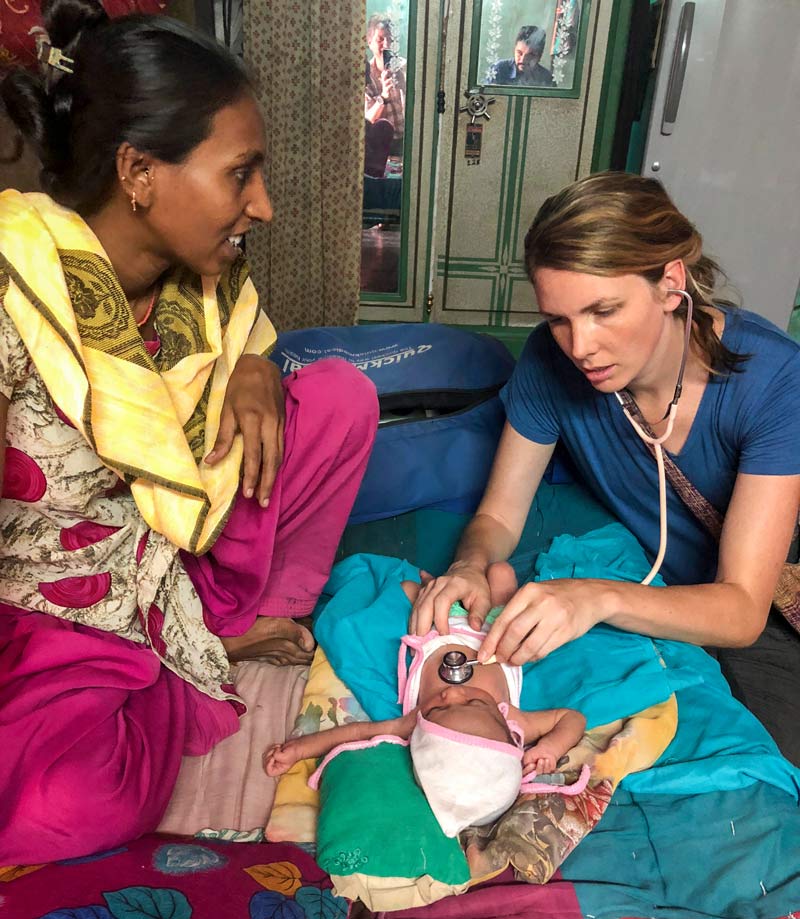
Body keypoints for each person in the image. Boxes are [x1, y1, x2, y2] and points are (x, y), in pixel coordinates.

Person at [0, 1, 378, 865]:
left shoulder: (202, 284)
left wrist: (258, 366)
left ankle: (223, 626)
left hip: (178, 561)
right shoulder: (19, 293)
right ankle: (200, 651)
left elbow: (249, 348)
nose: (265, 206)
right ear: (139, 171)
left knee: (339, 400)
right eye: (240, 174)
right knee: (67, 802)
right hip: (60, 603)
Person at [410, 171, 800, 765]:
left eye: (603, 311)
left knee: (760, 762)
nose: (580, 345)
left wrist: (593, 597)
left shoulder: (775, 383)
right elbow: (498, 514)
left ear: (671, 282)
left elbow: (744, 609)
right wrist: (469, 564)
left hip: (770, 598)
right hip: (664, 584)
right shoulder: (550, 360)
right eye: (559, 319)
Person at [264, 575, 586, 837]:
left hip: (435, 630)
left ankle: (441, 585)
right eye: (475, 702)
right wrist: (551, 747)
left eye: (438, 711)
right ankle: (463, 584)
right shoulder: (515, 720)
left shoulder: (415, 722)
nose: (452, 695)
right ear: (507, 732)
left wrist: (298, 749)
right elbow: (571, 717)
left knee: (407, 589)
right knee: (503, 575)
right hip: (496, 626)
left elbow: (359, 732)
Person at [364, 13, 406, 179]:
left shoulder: (404, 68)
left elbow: (419, 112)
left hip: (405, 141)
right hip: (379, 148)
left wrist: (404, 88)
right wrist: (383, 97)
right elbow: (367, 121)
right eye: (380, 39)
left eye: (390, 40)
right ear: (369, 42)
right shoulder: (366, 74)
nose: (386, 45)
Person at [485, 25, 556, 88]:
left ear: (539, 56)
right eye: (519, 53)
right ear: (514, 49)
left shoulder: (546, 78)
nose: (523, 60)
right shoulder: (499, 70)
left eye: (531, 55)